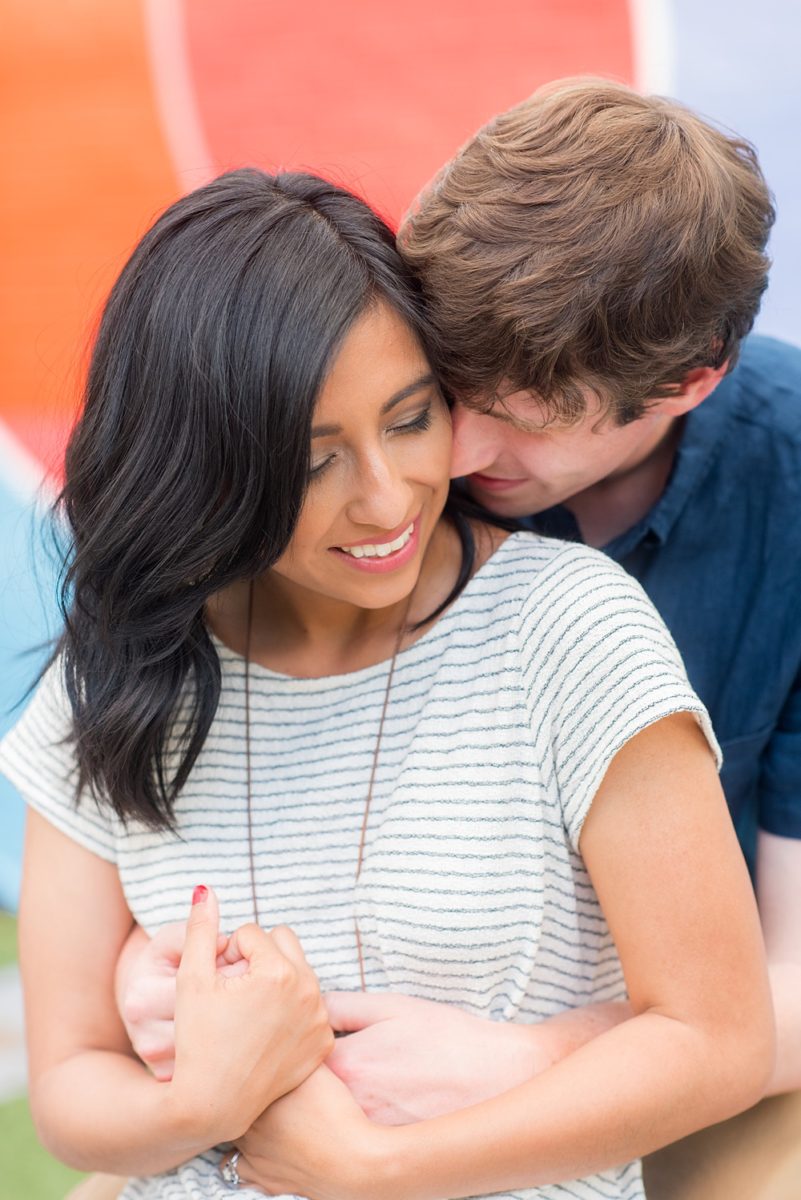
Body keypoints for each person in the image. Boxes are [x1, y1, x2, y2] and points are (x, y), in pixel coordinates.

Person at [0, 168, 773, 1200]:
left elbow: (714, 1036)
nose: (386, 497)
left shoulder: (568, 629)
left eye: (411, 421)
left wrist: (378, 1170)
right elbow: (71, 1083)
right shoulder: (121, 673)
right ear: (207, 468)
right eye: (314, 461)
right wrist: (200, 1105)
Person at [397, 77, 801, 1193]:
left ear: (688, 383)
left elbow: (795, 976)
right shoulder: (357, 409)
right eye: (440, 388)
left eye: (521, 419)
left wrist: (522, 1066)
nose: (452, 448)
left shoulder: (790, 482)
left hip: (693, 1064)